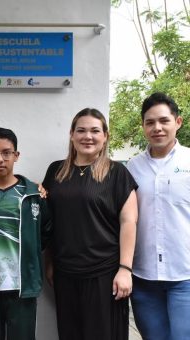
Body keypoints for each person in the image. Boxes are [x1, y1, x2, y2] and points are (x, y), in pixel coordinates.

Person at [42, 108, 138, 340]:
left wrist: (125, 269)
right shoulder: (56, 171)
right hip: (66, 273)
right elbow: (50, 222)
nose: (88, 136)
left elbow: (129, 221)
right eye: (81, 130)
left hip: (105, 274)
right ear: (71, 135)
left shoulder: (117, 173)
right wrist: (49, 262)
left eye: (95, 131)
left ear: (105, 136)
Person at [0, 127, 52, 340]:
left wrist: (30, 254)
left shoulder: (33, 194)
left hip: (23, 287)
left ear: (16, 155)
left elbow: (46, 231)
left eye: (7, 152)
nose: (0, 159)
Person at [126, 92, 190, 340]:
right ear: (143, 126)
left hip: (185, 276)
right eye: (150, 122)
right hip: (144, 278)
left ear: (178, 122)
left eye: (164, 121)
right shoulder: (132, 167)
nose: (157, 128)